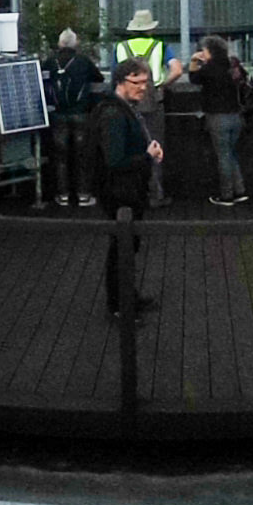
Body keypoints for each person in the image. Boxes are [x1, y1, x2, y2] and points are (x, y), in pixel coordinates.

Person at [93, 63, 163, 323]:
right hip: (120, 192)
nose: (143, 88)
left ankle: (126, 298)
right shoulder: (114, 114)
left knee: (125, 247)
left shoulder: (118, 109)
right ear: (121, 81)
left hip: (124, 189)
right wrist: (147, 157)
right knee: (122, 248)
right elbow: (115, 160)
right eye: (137, 82)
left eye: (145, 82)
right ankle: (120, 305)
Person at [188, 37, 253, 209]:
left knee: (223, 156)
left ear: (210, 51)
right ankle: (240, 190)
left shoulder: (209, 69)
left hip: (218, 117)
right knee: (231, 153)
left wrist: (194, 61)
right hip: (237, 116)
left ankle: (227, 195)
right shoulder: (233, 64)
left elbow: (193, 78)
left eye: (204, 50)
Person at [37, 26, 98, 211]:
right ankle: (83, 195)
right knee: (82, 156)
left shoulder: (50, 61)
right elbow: (98, 78)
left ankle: (63, 195)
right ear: (75, 44)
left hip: (58, 114)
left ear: (59, 44)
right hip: (81, 113)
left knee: (60, 157)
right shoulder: (83, 61)